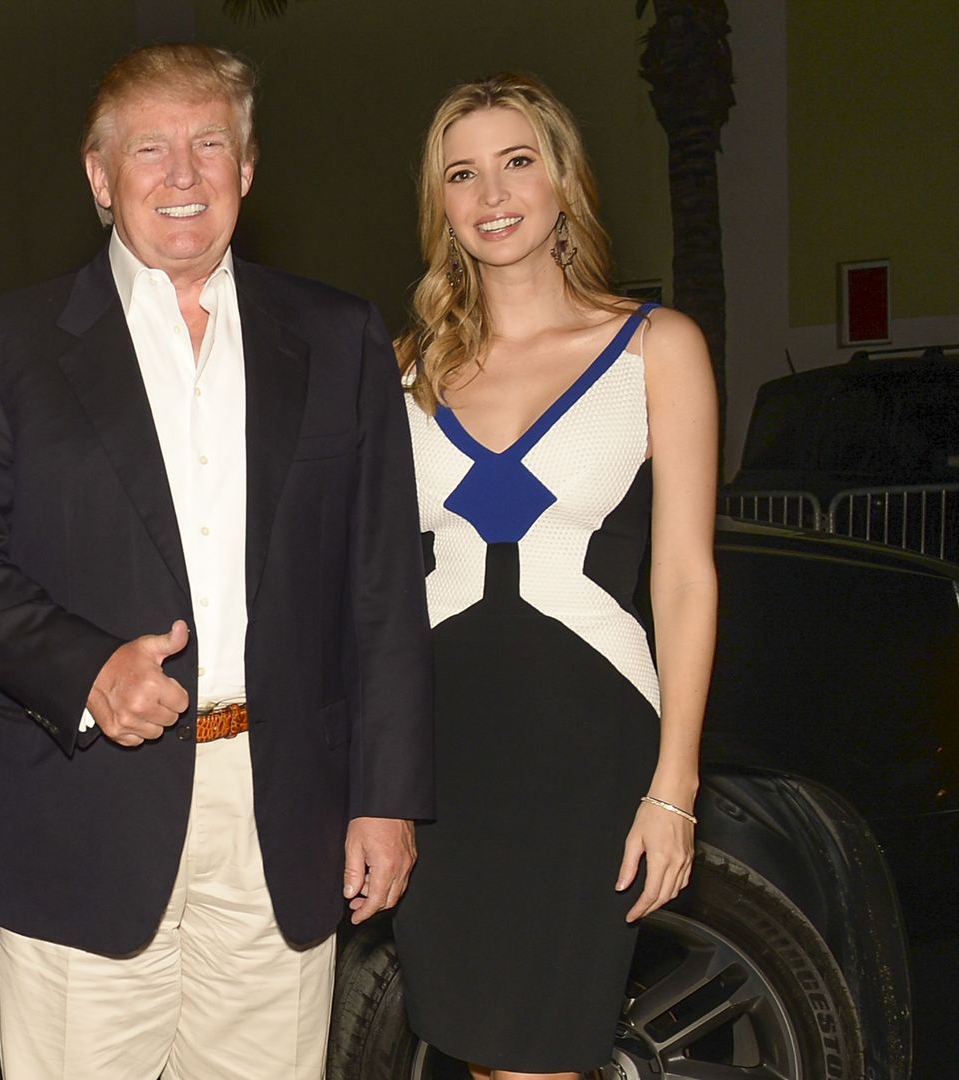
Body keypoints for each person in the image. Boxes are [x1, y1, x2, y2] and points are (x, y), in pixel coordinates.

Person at [0, 43, 433, 1079]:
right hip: (82, 822)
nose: (184, 175)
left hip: (283, 821)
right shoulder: (3, 346)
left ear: (248, 169)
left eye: (211, 145)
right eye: (149, 149)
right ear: (100, 178)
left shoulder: (338, 340)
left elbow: (380, 584)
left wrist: (387, 794)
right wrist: (86, 669)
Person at [388, 73, 718, 1079]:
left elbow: (687, 579)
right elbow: (376, 590)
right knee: (482, 1054)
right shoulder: (403, 370)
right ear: (440, 203)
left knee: (536, 1055)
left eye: (518, 161)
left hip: (586, 747)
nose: (493, 192)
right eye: (464, 172)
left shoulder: (655, 349)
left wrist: (675, 786)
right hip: (438, 760)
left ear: (563, 180)